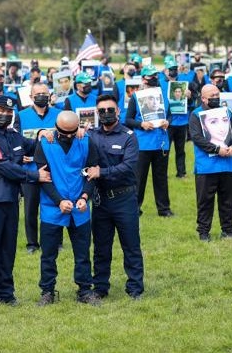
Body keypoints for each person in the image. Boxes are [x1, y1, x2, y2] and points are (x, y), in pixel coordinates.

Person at [0, 95, 51, 311]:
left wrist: (43, 134)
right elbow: (3, 166)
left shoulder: (13, 136)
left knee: (8, 249)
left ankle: (5, 293)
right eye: (0, 110)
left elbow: (34, 146)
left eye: (8, 112)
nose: (5, 114)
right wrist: (35, 176)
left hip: (10, 199)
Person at [34, 110, 101, 306]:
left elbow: (91, 173)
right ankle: (47, 291)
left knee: (82, 252)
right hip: (52, 207)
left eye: (73, 133)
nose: (70, 137)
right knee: (48, 253)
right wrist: (58, 201)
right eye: (65, 134)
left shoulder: (86, 141)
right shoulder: (45, 142)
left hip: (80, 206)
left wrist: (85, 196)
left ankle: (85, 290)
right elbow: (43, 179)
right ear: (56, 128)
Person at [86, 94, 144, 300]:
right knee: (101, 246)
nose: (106, 114)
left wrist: (102, 172)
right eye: (101, 111)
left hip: (124, 198)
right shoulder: (91, 135)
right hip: (101, 199)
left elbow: (128, 167)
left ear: (118, 111)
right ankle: (100, 287)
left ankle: (135, 288)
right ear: (97, 113)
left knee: (131, 245)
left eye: (110, 110)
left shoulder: (129, 136)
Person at [189, 84, 232, 241]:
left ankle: (228, 229)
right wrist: (216, 149)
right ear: (203, 98)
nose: (216, 98)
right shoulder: (195, 115)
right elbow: (197, 138)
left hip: (228, 165)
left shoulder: (226, 111)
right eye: (212, 95)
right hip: (206, 167)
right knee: (205, 201)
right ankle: (204, 232)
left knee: (229, 200)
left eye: (218, 95)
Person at [18, 83, 61, 254]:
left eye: (45, 93)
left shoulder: (59, 115)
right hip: (31, 169)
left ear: (50, 95)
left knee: (56, 203)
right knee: (30, 207)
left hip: (54, 169)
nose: (42, 96)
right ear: (30, 97)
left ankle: (56, 240)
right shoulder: (21, 116)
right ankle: (32, 243)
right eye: (38, 94)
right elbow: (16, 141)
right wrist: (21, 156)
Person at [125, 65, 172, 217]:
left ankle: (164, 209)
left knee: (161, 177)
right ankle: (135, 207)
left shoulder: (163, 95)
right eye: (152, 76)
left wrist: (168, 122)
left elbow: (169, 115)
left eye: (156, 75)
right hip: (143, 143)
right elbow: (128, 120)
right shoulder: (136, 97)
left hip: (161, 142)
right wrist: (141, 124)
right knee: (139, 177)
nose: (155, 78)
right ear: (144, 78)